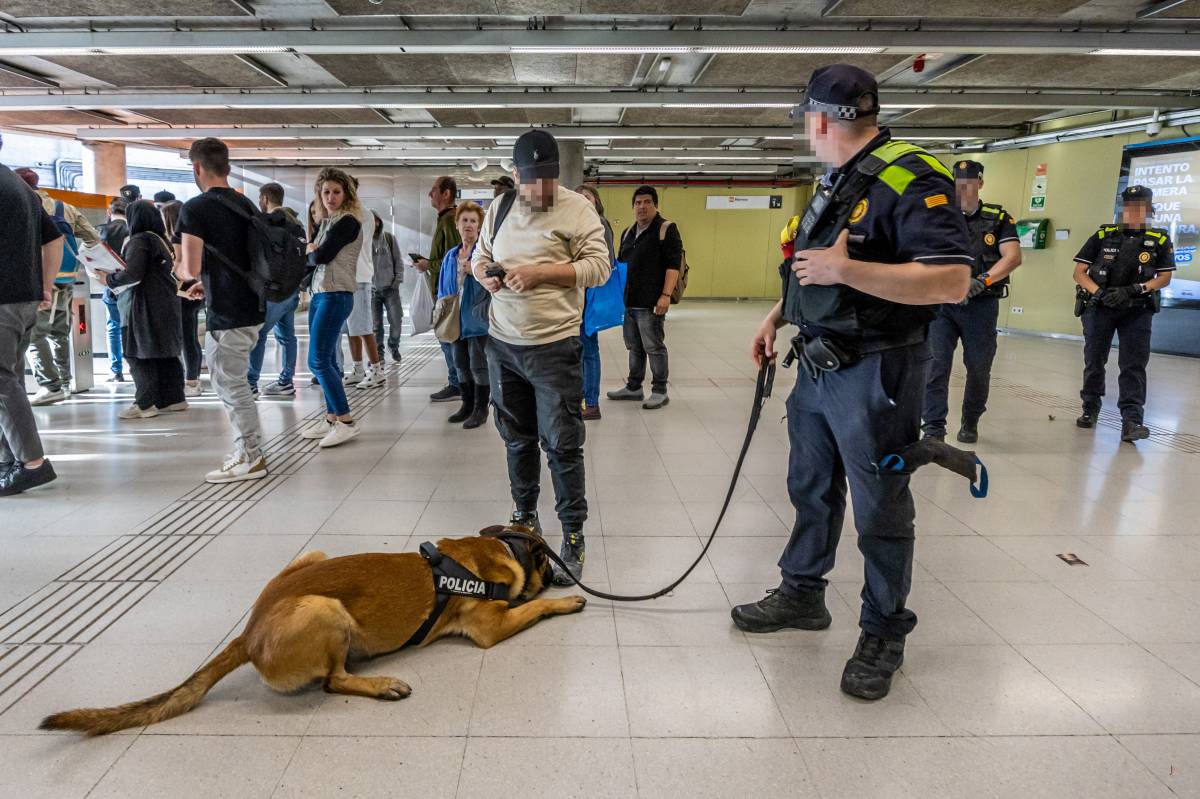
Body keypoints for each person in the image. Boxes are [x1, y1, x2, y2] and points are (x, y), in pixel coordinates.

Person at [730, 65, 972, 701]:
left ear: (818, 121)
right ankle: (803, 593)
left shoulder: (911, 174)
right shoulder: (837, 180)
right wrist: (777, 315)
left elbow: (950, 281)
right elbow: (814, 266)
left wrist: (848, 269)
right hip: (817, 362)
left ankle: (884, 630)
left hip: (878, 371)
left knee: (880, 506)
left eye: (805, 124)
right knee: (811, 487)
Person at [472, 130, 611, 584]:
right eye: (531, 182)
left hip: (554, 346)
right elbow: (480, 255)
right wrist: (485, 276)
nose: (540, 191)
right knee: (516, 438)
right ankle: (525, 520)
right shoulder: (500, 207)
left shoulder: (577, 208)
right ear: (515, 176)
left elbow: (599, 267)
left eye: (548, 180)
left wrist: (541, 274)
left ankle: (573, 536)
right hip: (504, 344)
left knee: (563, 446)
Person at [176, 137, 268, 484]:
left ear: (197, 167)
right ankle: (248, 450)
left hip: (228, 313)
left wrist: (186, 274)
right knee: (234, 380)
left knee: (231, 384)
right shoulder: (245, 205)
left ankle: (251, 455)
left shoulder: (195, 208)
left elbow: (191, 266)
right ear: (226, 166)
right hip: (253, 305)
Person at [921, 160, 1022, 444]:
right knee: (935, 365)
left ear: (980, 183)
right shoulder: (938, 216)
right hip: (942, 304)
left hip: (981, 305)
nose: (963, 188)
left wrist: (982, 281)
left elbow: (1012, 257)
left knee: (979, 368)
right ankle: (933, 427)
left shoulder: (998, 218)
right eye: (958, 183)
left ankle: (970, 420)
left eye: (969, 182)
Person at [1072, 184, 1174, 443]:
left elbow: (1164, 278)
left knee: (1133, 365)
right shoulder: (1103, 235)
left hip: (1136, 310)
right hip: (1101, 308)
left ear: (1149, 210)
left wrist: (1134, 289)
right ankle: (1090, 408)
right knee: (1094, 360)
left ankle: (1132, 420)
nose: (1134, 213)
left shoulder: (1159, 239)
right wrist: (1098, 293)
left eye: (1140, 208)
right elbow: (1079, 272)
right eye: (1130, 207)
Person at [0, 132, 63, 496]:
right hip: (22, 300)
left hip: (2, 299)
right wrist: (46, 284)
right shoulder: (19, 186)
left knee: (2, 382)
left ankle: (32, 464)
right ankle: (9, 460)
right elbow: (54, 238)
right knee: (11, 381)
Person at [15, 167, 101, 406]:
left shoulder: (24, 206)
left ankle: (49, 384)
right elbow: (93, 238)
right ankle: (64, 381)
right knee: (59, 333)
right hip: (68, 278)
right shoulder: (66, 207)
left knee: (34, 335)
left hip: (40, 279)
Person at [95, 200, 185, 420]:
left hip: (145, 305)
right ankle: (173, 399)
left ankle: (145, 403)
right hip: (166, 302)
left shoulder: (139, 240)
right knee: (165, 352)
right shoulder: (161, 239)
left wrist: (108, 279)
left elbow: (133, 273)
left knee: (138, 352)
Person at [303, 167, 365, 448]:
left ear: (346, 194)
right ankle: (331, 417)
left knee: (317, 360)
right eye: (325, 192)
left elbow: (321, 256)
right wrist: (312, 252)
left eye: (336, 192)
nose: (330, 197)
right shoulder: (328, 221)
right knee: (324, 359)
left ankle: (346, 420)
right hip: (320, 292)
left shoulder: (348, 222)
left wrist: (312, 251)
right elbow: (314, 257)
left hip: (336, 293)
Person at [605, 185, 682, 411]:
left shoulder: (666, 229)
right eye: (638, 203)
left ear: (655, 205)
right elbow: (620, 266)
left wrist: (665, 295)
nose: (642, 207)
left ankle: (659, 390)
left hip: (651, 302)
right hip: (629, 301)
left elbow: (673, 265)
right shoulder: (628, 232)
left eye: (647, 202)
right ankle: (634, 387)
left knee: (654, 346)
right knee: (634, 347)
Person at [247, 182, 305, 398]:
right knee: (287, 336)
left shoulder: (267, 225)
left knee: (258, 334)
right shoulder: (295, 222)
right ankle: (286, 381)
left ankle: (251, 383)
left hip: (273, 291)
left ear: (264, 199)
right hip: (292, 290)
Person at [437, 202, 490, 429]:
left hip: (477, 317)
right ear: (457, 225)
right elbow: (442, 287)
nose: (468, 225)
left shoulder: (484, 254)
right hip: (454, 318)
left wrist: (475, 272)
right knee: (460, 363)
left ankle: (481, 408)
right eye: (464, 221)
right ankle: (466, 405)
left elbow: (494, 283)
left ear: (479, 227)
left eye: (473, 221)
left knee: (478, 364)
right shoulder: (451, 255)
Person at [416, 176, 463, 402]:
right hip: (444, 287)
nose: (429, 194)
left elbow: (454, 258)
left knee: (448, 337)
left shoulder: (449, 221)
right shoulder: (445, 219)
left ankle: (458, 383)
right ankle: (458, 381)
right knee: (447, 337)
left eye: (434, 190)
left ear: (446, 193)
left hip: (448, 291)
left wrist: (429, 264)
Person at [341, 176, 385, 391]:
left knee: (363, 326)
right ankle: (358, 369)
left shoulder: (363, 215)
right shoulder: (347, 214)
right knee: (351, 328)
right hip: (346, 278)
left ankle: (377, 370)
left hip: (359, 278)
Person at [575, 184, 614, 421]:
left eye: (588, 197)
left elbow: (605, 263)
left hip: (589, 295)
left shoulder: (600, 224)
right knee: (579, 349)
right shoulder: (576, 224)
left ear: (596, 202)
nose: (583, 201)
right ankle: (580, 398)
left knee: (588, 349)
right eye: (578, 197)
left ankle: (591, 403)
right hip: (575, 295)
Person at [162, 200, 204, 397]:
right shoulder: (192, 237)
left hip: (183, 293)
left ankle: (191, 380)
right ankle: (191, 378)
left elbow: (179, 268)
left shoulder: (173, 241)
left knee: (186, 337)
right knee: (190, 336)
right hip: (195, 292)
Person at [99, 197, 130, 384]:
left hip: (109, 284)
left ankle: (116, 371)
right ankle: (135, 366)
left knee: (113, 327)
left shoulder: (103, 231)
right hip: (130, 284)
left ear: (109, 212)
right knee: (131, 327)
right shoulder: (133, 230)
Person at [370, 210, 404, 363]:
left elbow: (398, 260)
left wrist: (396, 281)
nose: (373, 223)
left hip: (390, 288)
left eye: (375, 220)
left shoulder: (389, 238)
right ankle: (378, 353)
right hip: (372, 291)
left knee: (396, 321)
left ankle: (393, 345)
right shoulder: (362, 241)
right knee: (376, 325)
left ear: (379, 221)